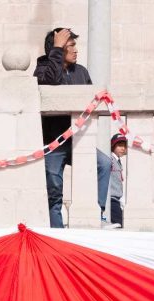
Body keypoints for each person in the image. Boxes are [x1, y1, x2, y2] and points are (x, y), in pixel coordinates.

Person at [34, 28, 108, 229]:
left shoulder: (81, 71)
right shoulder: (42, 67)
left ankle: (98, 213)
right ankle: (56, 231)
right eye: (71, 46)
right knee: (54, 188)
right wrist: (57, 48)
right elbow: (52, 80)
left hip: (79, 141)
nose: (76, 51)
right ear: (57, 48)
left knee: (104, 164)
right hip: (53, 143)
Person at [98, 134, 127, 227]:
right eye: (119, 145)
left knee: (120, 225)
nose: (123, 148)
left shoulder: (118, 161)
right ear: (113, 146)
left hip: (116, 200)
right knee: (119, 225)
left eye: (124, 145)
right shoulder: (110, 159)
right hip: (110, 199)